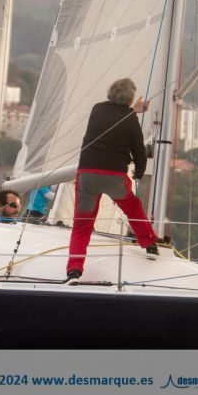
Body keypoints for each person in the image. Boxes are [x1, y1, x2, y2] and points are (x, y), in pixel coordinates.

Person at [66, 78, 159, 284]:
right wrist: (139, 172)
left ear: (110, 93)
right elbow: (139, 152)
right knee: (132, 207)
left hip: (87, 175)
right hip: (114, 177)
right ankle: (150, 245)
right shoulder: (131, 120)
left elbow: (113, 117)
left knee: (81, 225)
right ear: (131, 99)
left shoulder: (97, 109)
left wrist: (132, 110)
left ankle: (74, 271)